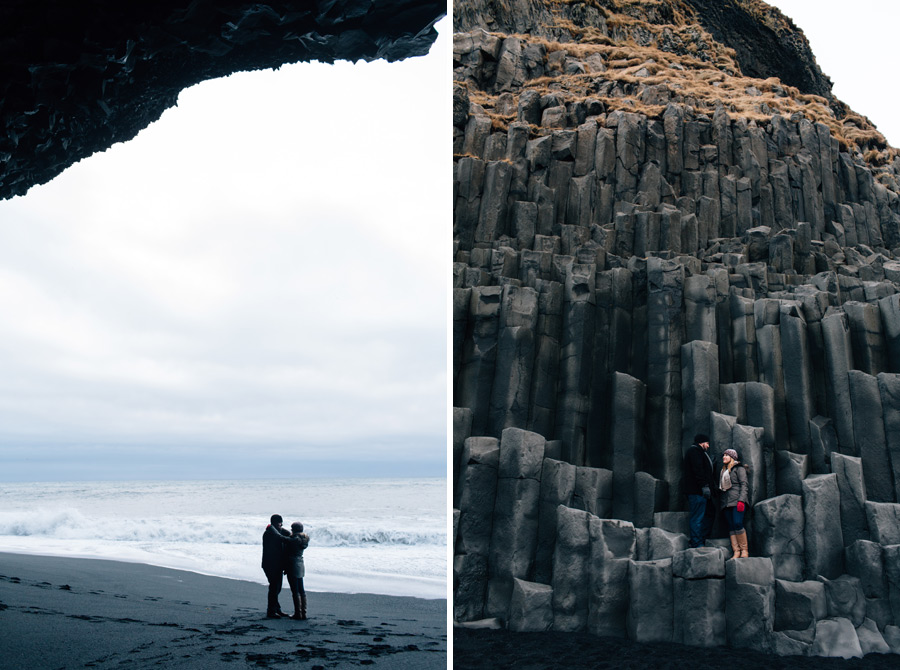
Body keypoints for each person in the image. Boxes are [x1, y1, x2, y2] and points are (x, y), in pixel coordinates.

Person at [683, 433, 715, 548]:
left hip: (702, 492)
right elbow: (698, 470)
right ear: (701, 443)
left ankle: (701, 538)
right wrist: (704, 486)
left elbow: (703, 468)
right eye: (707, 443)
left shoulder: (700, 453)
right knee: (697, 516)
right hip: (697, 491)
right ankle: (697, 542)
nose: (708, 446)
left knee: (709, 513)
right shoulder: (694, 452)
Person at [718, 448, 750, 559]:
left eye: (726, 455)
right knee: (731, 526)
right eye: (723, 455)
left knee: (738, 523)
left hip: (737, 501)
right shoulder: (723, 471)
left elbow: (744, 485)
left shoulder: (738, 469)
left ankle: (744, 550)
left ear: (732, 457)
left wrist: (741, 500)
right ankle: (736, 551)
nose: (724, 457)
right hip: (726, 503)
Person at [261, 514, 291, 618]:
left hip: (276, 564)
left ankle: (276, 609)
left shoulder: (275, 531)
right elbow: (282, 538)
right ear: (275, 523)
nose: (281, 525)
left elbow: (287, 534)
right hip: (270, 564)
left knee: (276, 588)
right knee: (274, 587)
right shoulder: (270, 533)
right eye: (280, 523)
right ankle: (271, 611)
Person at [284, 522, 311, 620]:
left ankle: (298, 613)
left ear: (294, 530)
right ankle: (303, 612)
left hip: (292, 564)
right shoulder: (304, 539)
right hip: (300, 564)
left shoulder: (294, 540)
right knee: (301, 590)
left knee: (295, 591)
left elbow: (283, 539)